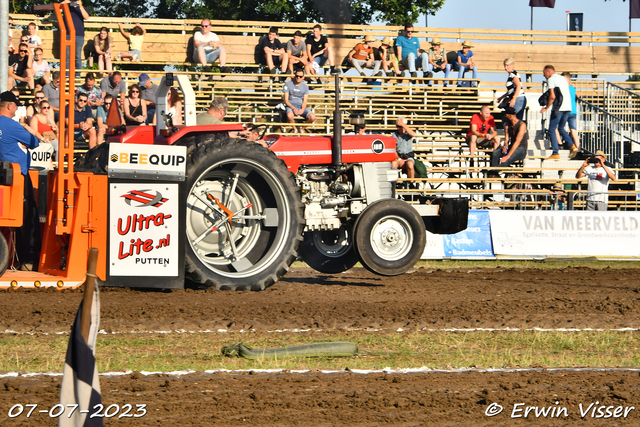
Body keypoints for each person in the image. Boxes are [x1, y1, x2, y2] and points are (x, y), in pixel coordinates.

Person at [0, 91, 41, 271]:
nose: (17, 108)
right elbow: (34, 142)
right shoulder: (11, 125)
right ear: (9, 106)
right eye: (16, 105)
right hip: (16, 178)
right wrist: (25, 128)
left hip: (3, 173)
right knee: (28, 216)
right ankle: (27, 259)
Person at [541, 65, 577, 161]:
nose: (543, 75)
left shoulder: (551, 80)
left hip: (559, 107)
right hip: (568, 107)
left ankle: (555, 152)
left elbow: (552, 96)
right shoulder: (561, 78)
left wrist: (546, 107)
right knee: (561, 128)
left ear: (548, 71)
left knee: (552, 130)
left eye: (544, 73)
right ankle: (572, 146)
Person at [489, 106, 528, 172]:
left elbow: (517, 142)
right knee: (495, 153)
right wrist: (505, 146)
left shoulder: (522, 125)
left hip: (521, 149)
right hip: (511, 147)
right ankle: (494, 174)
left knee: (506, 160)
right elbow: (506, 139)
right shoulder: (507, 125)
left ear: (510, 116)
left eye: (505, 115)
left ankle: (493, 172)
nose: (504, 116)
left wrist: (508, 155)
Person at [62, 0, 89, 73]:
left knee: (77, 57)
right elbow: (56, 8)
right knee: (67, 57)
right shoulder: (66, 7)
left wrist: (80, 6)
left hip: (79, 35)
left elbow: (86, 17)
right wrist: (63, 3)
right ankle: (67, 75)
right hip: (67, 35)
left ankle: (77, 76)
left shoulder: (83, 8)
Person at [561, 71, 580, 156]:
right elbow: (578, 95)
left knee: (559, 128)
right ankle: (578, 149)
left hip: (566, 110)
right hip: (573, 111)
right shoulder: (572, 88)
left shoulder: (564, 88)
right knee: (573, 130)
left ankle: (561, 144)